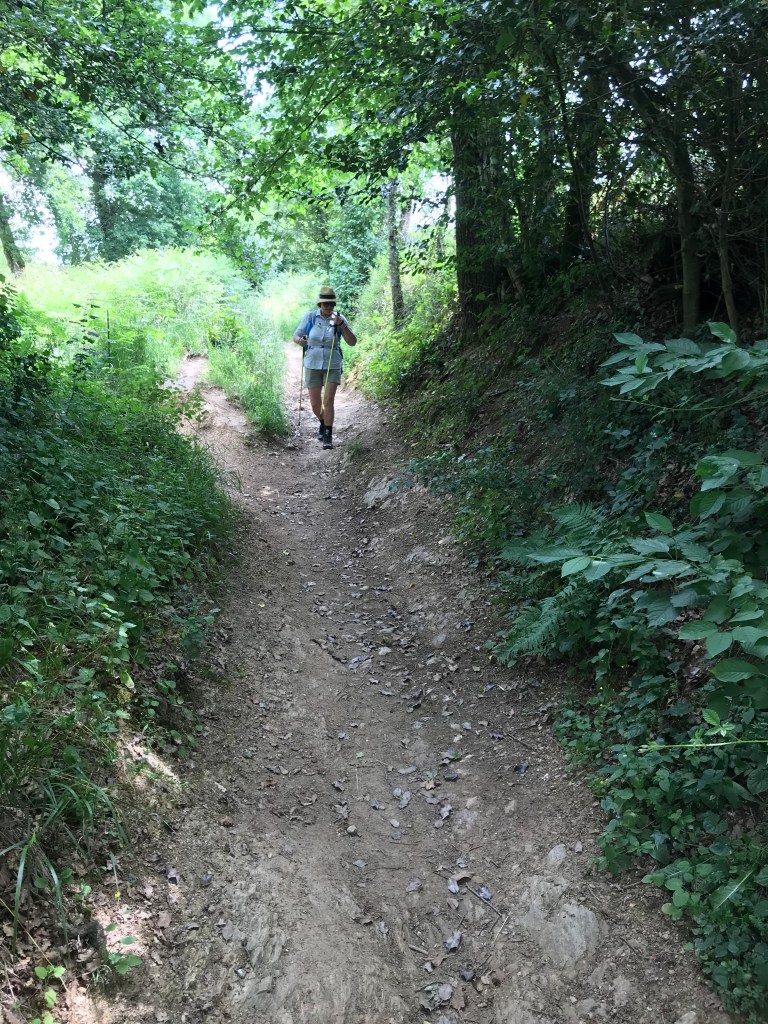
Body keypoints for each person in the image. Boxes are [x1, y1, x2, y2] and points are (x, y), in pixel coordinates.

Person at [293, 285, 357, 449]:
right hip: (312, 363)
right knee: (316, 405)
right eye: (325, 304)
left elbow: (352, 342)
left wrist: (342, 325)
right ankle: (322, 421)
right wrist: (300, 341)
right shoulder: (310, 317)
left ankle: (328, 435)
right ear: (320, 304)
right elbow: (296, 335)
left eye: (331, 304)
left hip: (332, 364)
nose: (329, 307)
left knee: (328, 400)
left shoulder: (339, 319)